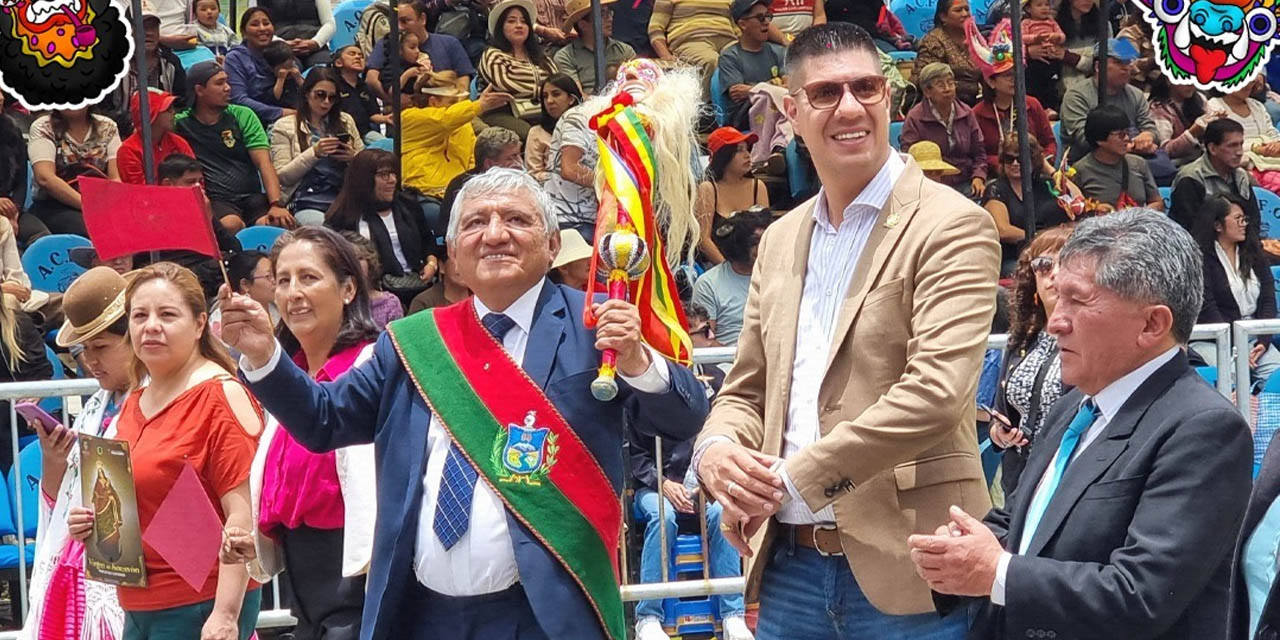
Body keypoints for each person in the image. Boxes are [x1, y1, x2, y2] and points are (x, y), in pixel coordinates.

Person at [219, 167, 709, 640]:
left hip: (547, 613)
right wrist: (265, 356)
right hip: (422, 613)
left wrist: (638, 361)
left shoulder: (596, 332)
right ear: (454, 251)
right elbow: (325, 421)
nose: (495, 235)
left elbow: (682, 418)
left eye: (516, 220)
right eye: (476, 222)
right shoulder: (413, 343)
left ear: (554, 243)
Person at [693, 23, 998, 639]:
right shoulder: (779, 238)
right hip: (790, 570)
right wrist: (717, 453)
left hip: (914, 567)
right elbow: (748, 387)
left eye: (867, 88)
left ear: (890, 98)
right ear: (791, 110)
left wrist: (789, 479)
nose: (851, 107)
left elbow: (936, 393)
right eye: (827, 93)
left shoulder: (952, 226)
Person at [910, 209, 1253, 640]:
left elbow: (1141, 595)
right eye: (1058, 298)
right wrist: (961, 548)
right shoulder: (1073, 407)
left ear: (1152, 324)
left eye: (1078, 300)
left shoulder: (1204, 429)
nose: (1055, 321)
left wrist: (996, 571)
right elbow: (1024, 521)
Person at [66, 262, 264, 640]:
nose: (151, 326)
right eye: (139, 315)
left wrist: (225, 615)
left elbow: (243, 515)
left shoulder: (221, 395)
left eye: (167, 314)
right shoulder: (133, 400)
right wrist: (95, 521)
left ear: (200, 324)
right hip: (138, 602)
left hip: (200, 604)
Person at [243, 227, 378, 640]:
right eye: (283, 280)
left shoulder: (373, 366)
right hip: (302, 576)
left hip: (357, 577)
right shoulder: (287, 378)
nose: (293, 293)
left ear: (349, 289)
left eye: (309, 277)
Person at [22, 267, 131, 640]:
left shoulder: (157, 403)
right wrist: (54, 460)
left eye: (102, 348)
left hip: (137, 575)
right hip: (86, 567)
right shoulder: (94, 409)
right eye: (84, 351)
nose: (90, 362)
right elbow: (60, 498)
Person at [630, 418, 752, 640]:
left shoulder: (708, 391)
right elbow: (636, 458)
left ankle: (732, 615)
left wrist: (704, 485)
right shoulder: (640, 400)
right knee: (662, 516)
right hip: (653, 488)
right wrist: (663, 483)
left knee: (721, 513)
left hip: (701, 487)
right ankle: (647, 617)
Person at [986, 225, 1072, 502]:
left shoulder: (1095, 339)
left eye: (1066, 261)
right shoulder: (1021, 339)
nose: (1054, 273)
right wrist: (1000, 432)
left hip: (1068, 477)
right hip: (1020, 478)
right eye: (1044, 265)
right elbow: (1002, 414)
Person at [174, 62, 297, 232]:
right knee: (231, 225)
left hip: (252, 197)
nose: (227, 88)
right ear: (199, 90)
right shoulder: (181, 123)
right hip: (217, 200)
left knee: (276, 224)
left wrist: (276, 203)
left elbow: (264, 163)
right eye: (219, 83)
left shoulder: (242, 114)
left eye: (227, 82)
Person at [327, 149, 441, 301]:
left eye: (394, 173)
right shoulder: (342, 217)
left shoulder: (409, 205)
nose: (392, 180)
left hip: (418, 284)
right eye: (383, 175)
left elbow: (428, 241)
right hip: (368, 293)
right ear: (365, 179)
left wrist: (431, 263)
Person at [1192, 194, 1280, 387]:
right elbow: (1208, 308)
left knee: (1277, 376)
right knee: (1232, 379)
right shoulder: (1200, 259)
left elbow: (1267, 300)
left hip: (1254, 341)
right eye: (1237, 219)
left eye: (1245, 219)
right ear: (1218, 226)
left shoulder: (1254, 253)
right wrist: (1235, 346)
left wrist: (1262, 343)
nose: (1243, 224)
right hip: (1215, 342)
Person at [270, 68, 365, 227]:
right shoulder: (284, 126)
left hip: (345, 198)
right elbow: (283, 176)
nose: (326, 102)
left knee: (366, 232)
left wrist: (353, 158)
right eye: (320, 95)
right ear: (307, 93)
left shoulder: (346, 121)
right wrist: (314, 153)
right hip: (305, 200)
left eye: (332, 97)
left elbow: (367, 167)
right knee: (325, 233)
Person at [399, 71, 513, 199]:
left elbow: (472, 159)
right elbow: (444, 120)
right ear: (433, 102)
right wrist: (479, 105)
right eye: (452, 102)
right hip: (425, 194)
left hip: (460, 193)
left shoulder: (462, 123)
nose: (458, 105)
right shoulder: (409, 118)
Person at [968, 23, 1057, 172]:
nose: (1014, 80)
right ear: (991, 81)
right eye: (1007, 76)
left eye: (1017, 75)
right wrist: (1006, 164)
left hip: (1036, 171)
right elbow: (979, 155)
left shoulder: (1032, 104)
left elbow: (1049, 142)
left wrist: (1040, 161)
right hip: (1000, 174)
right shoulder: (978, 113)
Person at [983, 134, 1077, 274]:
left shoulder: (1045, 183)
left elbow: (1076, 198)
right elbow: (1003, 230)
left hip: (1055, 252)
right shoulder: (996, 189)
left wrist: (1049, 169)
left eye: (1021, 159)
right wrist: (1042, 237)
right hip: (1016, 257)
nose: (1015, 163)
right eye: (1009, 159)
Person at [1058, 38, 1157, 164]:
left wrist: (1148, 136)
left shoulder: (1135, 94)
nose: (1126, 68)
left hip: (1132, 162)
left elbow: (1151, 128)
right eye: (1119, 62)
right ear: (1099, 66)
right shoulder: (1076, 97)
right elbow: (1085, 140)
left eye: (1128, 63)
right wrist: (1132, 145)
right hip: (1088, 167)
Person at [27, 106, 121, 236]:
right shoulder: (43, 127)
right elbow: (45, 178)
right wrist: (87, 205)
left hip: (101, 202)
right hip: (55, 205)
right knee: (98, 231)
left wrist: (111, 206)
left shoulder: (108, 126)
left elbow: (116, 178)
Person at [900, 62, 987, 197]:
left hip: (966, 180)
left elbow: (979, 153)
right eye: (941, 85)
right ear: (927, 91)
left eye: (950, 83)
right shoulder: (915, 118)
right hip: (932, 184)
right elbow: (910, 158)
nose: (947, 88)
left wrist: (979, 177)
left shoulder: (966, 113)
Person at [366, 2, 475, 105]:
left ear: (422, 19)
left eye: (405, 21)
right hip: (405, 116)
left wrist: (457, 105)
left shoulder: (449, 43)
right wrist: (394, 100)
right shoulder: (387, 44)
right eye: (395, 22)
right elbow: (371, 79)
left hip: (447, 112)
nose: (399, 27)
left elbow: (463, 78)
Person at [478, 0, 559, 139]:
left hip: (541, 110)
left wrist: (552, 93)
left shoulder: (541, 57)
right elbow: (504, 84)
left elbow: (558, 81)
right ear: (501, 27)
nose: (519, 25)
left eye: (523, 21)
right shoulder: (493, 54)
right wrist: (545, 92)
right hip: (502, 112)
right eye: (511, 21)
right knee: (531, 134)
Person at [692, 206, 769, 347]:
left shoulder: (777, 278)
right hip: (726, 362)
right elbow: (703, 339)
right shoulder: (709, 284)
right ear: (737, 244)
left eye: (765, 241)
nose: (762, 248)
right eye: (754, 242)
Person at [1171, 119, 1261, 233]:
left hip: (1238, 244)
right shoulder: (1190, 178)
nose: (1239, 152)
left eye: (1241, 144)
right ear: (1212, 148)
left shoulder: (1241, 175)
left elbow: (1253, 220)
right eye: (1232, 146)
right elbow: (1189, 228)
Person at [695, 127, 769, 265]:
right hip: (718, 267)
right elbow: (703, 239)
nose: (747, 155)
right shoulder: (708, 189)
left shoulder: (758, 186)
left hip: (757, 265)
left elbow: (767, 232)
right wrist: (728, 270)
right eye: (739, 150)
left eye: (747, 149)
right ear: (723, 156)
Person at [1070, 105, 1164, 211]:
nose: (1127, 138)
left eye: (1127, 133)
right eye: (1121, 135)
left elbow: (1158, 203)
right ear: (1100, 139)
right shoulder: (1079, 171)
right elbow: (1075, 210)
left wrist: (1139, 214)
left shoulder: (1138, 163)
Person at [717, 0, 787, 131]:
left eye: (768, 16)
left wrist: (752, 89)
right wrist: (776, 83)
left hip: (779, 113)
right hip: (744, 118)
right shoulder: (730, 57)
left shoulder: (778, 51)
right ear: (743, 24)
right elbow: (737, 93)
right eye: (760, 18)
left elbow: (790, 86)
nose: (766, 22)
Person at [224, 7, 297, 127]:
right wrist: (280, 113)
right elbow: (239, 100)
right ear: (243, 32)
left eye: (266, 23)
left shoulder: (282, 52)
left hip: (292, 117)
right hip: (253, 122)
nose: (262, 29)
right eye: (255, 24)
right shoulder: (235, 58)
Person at [552, 0, 635, 95]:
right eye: (602, 15)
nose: (610, 19)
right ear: (582, 25)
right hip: (588, 108)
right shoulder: (565, 57)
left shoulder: (625, 51)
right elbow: (577, 97)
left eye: (610, 13)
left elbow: (639, 83)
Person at [441, 126, 527, 217]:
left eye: (519, 155)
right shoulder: (460, 188)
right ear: (489, 164)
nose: (519, 163)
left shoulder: (526, 184)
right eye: (511, 158)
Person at [912, 0, 981, 106]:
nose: (965, 14)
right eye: (958, 10)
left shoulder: (975, 38)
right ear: (943, 17)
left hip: (974, 102)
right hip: (942, 104)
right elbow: (928, 81)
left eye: (967, 9)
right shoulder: (933, 41)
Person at [118, 89, 194, 185]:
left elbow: (196, 176)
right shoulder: (129, 150)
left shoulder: (178, 142)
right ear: (151, 114)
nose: (174, 112)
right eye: (168, 110)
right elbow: (138, 191)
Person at [647, 0, 735, 77]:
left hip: (727, 39)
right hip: (691, 41)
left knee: (742, 58)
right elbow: (655, 28)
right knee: (711, 61)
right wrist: (665, 55)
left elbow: (737, 26)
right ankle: (708, 96)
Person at [1149, 74, 1218, 167]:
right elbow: (1164, 151)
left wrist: (1216, 123)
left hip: (1204, 158)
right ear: (1169, 80)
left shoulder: (1199, 98)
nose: (1191, 84)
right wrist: (1192, 134)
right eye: (1186, 78)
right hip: (1178, 165)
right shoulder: (1158, 108)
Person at [342, 231, 408, 329]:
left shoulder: (389, 303)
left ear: (369, 262)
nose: (355, 265)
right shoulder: (334, 303)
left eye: (360, 258)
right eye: (350, 260)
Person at [249, 0, 339, 68]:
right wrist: (281, 44)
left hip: (315, 46)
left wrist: (316, 42)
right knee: (289, 68)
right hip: (279, 47)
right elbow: (259, 24)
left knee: (322, 70)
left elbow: (329, 23)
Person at [526, 74, 582, 183]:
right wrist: (562, 177)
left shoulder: (588, 127)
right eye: (545, 96)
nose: (549, 101)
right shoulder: (536, 132)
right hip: (551, 192)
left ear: (571, 99)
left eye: (556, 94)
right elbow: (533, 174)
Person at [331, 46, 391, 144]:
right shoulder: (332, 85)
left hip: (365, 133)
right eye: (352, 54)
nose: (358, 57)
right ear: (338, 63)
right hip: (341, 134)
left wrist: (386, 119)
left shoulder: (364, 86)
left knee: (389, 145)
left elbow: (372, 114)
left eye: (361, 55)